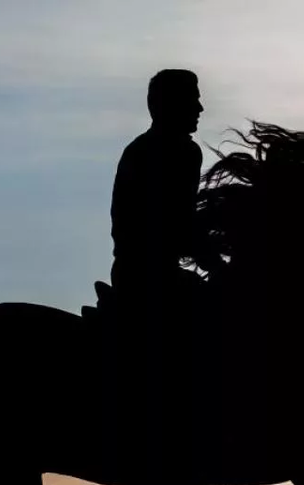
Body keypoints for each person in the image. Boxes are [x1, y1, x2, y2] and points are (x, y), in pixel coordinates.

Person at [108, 68, 208, 322]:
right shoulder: (182, 152)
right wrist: (213, 259)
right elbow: (178, 221)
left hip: (142, 274)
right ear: (173, 104)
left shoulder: (141, 149)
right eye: (193, 99)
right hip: (148, 280)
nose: (200, 108)